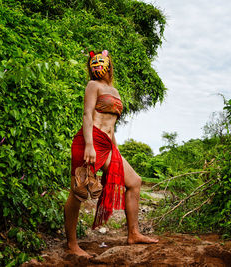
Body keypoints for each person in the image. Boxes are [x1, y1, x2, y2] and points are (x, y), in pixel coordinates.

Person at [64, 50, 158, 258]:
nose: (96, 66)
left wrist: (115, 148)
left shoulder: (114, 91)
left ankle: (133, 233)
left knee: (134, 181)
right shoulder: (93, 86)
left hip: (107, 144)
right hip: (89, 141)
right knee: (78, 191)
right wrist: (89, 144)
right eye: (93, 63)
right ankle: (72, 244)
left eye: (101, 62)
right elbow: (88, 114)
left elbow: (112, 125)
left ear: (109, 65)